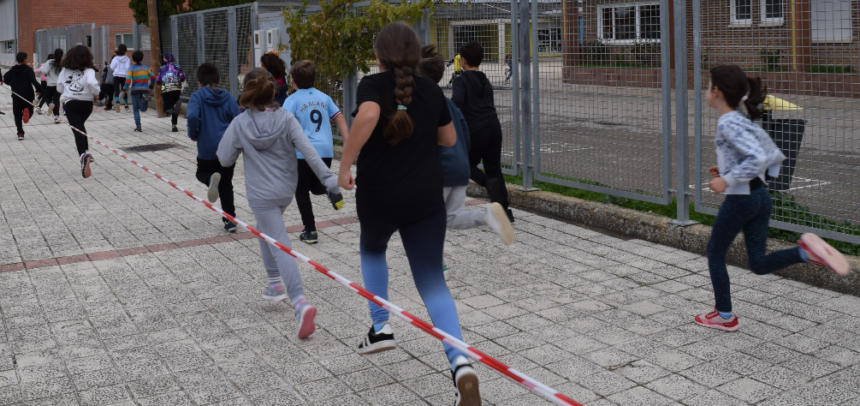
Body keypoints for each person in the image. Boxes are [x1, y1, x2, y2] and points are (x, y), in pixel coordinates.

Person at [338, 22, 481, 405]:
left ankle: (381, 327)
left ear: (379, 56)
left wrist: (345, 165)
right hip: (426, 197)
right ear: (416, 55)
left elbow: (367, 116)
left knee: (372, 251)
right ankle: (461, 363)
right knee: (433, 282)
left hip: (379, 195)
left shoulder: (372, 85)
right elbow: (448, 139)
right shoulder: (432, 89)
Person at [695, 65, 849, 332]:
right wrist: (726, 169)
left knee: (715, 252)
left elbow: (757, 157)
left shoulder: (729, 122)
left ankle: (724, 316)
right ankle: (805, 252)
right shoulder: (741, 119)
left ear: (717, 91)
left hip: (741, 201)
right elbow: (760, 152)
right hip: (759, 198)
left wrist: (726, 180)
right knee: (758, 263)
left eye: (707, 86)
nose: (705, 91)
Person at [217, 68, 344, 339]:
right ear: (273, 92)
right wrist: (330, 181)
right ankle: (275, 285)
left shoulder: (240, 124)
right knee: (266, 231)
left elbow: (224, 159)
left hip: (261, 195)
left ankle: (300, 302)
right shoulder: (286, 119)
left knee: (280, 243)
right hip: (285, 191)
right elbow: (310, 152)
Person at [419, 44, 514, 280]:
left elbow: (427, 136)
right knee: (450, 216)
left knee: (427, 218)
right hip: (482, 140)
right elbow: (463, 126)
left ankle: (437, 265)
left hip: (446, 166)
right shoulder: (478, 83)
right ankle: (495, 213)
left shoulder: (446, 92)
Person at [282, 60, 350, 244]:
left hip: (303, 153)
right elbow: (340, 117)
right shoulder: (324, 98)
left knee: (302, 189)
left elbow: (283, 124)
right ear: (314, 79)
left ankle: (310, 230)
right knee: (315, 186)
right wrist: (346, 140)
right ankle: (330, 188)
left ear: (293, 81)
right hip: (326, 150)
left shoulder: (292, 100)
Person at [453, 41, 513, 223]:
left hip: (475, 130)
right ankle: (504, 211)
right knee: (494, 168)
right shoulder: (485, 80)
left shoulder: (460, 81)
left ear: (462, 61)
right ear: (481, 60)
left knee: (463, 164)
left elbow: (456, 103)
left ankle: (487, 183)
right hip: (494, 126)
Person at [187, 62, 241, 233]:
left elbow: (193, 116)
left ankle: (210, 179)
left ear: (199, 82)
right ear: (219, 79)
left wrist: (193, 133)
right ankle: (230, 220)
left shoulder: (197, 97)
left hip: (207, 147)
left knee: (201, 172)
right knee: (226, 183)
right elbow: (238, 119)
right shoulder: (228, 97)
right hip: (226, 149)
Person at [57, 45, 100, 179]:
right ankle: (86, 152)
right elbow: (93, 83)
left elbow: (58, 87)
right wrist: (96, 93)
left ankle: (83, 155)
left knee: (77, 130)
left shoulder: (64, 70)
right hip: (87, 104)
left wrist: (66, 90)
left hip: (71, 103)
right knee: (81, 127)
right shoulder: (89, 70)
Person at [3, 52, 41, 140]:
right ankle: (27, 111)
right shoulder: (28, 69)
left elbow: (6, 78)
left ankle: (20, 133)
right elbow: (33, 80)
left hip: (16, 95)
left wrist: (12, 83)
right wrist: (38, 90)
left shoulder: (12, 70)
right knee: (29, 108)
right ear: (24, 60)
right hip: (27, 94)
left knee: (17, 115)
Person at [123, 50, 154, 132]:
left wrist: (124, 90)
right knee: (143, 109)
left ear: (132, 59)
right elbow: (153, 77)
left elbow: (128, 81)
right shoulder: (145, 68)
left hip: (135, 90)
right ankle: (144, 102)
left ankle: (138, 126)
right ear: (142, 58)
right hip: (144, 89)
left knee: (135, 108)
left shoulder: (131, 68)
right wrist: (150, 87)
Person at [155, 51, 186, 132]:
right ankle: (174, 125)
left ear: (164, 59)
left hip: (166, 90)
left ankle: (172, 110)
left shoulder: (162, 69)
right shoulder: (178, 67)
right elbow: (182, 77)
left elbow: (158, 80)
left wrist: (162, 81)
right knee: (174, 107)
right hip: (176, 89)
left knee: (168, 108)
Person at [40, 49, 63, 123]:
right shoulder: (62, 63)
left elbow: (45, 71)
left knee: (46, 97)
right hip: (59, 85)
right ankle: (57, 117)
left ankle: (50, 104)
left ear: (54, 54)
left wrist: (41, 68)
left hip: (50, 84)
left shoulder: (50, 62)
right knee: (56, 100)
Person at [110, 44, 131, 113]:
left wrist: (116, 70)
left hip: (116, 75)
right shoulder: (127, 59)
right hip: (124, 76)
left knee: (116, 89)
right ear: (125, 51)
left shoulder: (115, 58)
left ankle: (117, 102)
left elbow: (111, 67)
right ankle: (126, 104)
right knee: (124, 90)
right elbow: (128, 67)